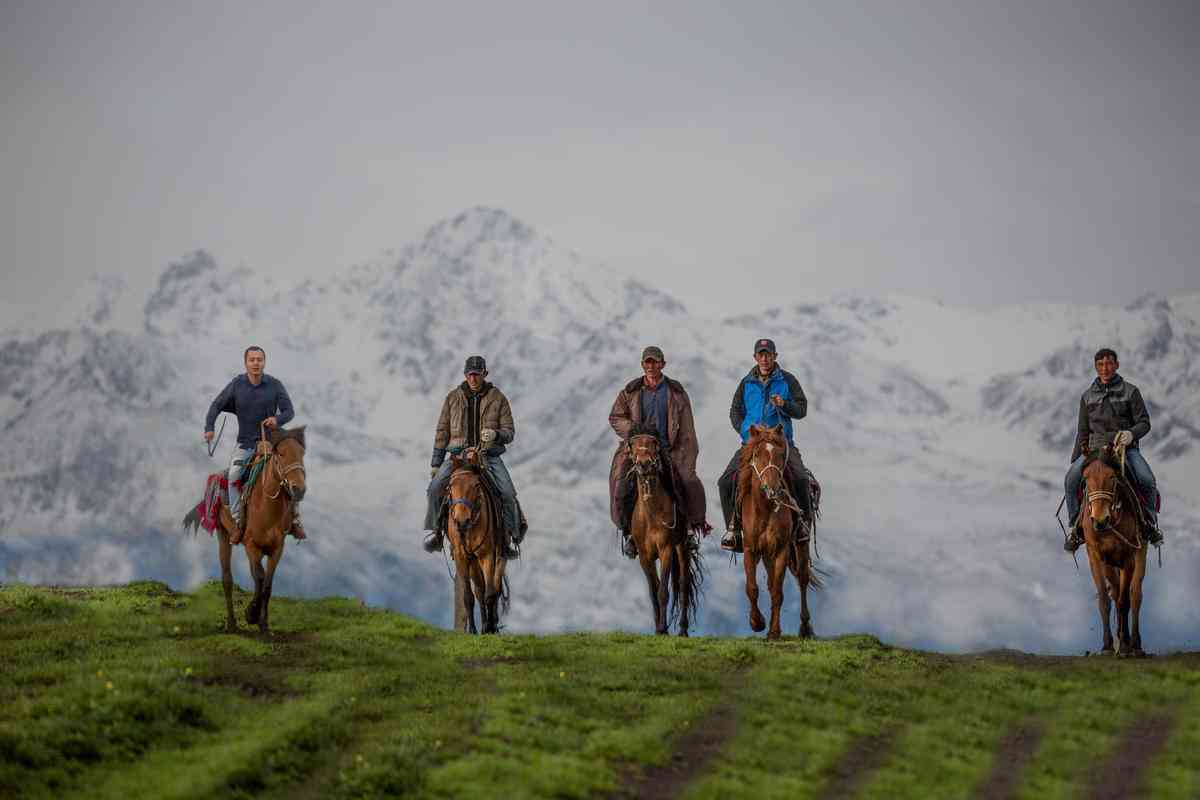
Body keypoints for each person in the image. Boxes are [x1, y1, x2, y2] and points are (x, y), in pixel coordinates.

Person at [608, 346, 710, 559]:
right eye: (648, 362)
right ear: (642, 365)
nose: (651, 366)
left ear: (663, 364)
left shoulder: (676, 393)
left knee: (688, 482)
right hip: (637, 451)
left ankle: (690, 529)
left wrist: (685, 459)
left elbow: (688, 431)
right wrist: (632, 431)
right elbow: (616, 417)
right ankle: (629, 532)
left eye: (655, 362)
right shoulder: (630, 391)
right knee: (621, 482)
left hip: (667, 451)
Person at [717, 338, 813, 552]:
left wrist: (784, 405)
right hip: (752, 444)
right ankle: (733, 529)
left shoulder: (787, 380)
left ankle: (802, 526)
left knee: (799, 478)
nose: (764, 358)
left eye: (768, 354)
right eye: (760, 354)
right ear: (755, 357)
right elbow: (735, 411)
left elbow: (802, 409)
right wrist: (747, 433)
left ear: (775, 356)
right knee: (725, 481)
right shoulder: (746, 382)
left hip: (781, 443)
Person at [1063, 347, 1162, 551]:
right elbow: (1082, 430)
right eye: (1100, 364)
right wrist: (1077, 459)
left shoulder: (1131, 391)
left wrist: (1131, 434)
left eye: (1109, 363)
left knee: (1147, 480)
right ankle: (1074, 527)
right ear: (1096, 367)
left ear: (1116, 365)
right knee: (1071, 479)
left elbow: (1144, 422)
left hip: (1124, 449)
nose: (1105, 368)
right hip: (1094, 451)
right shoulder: (1087, 396)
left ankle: (1150, 525)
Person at [422, 356, 522, 558]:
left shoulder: (498, 398)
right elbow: (442, 431)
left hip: (488, 456)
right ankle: (437, 533)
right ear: (465, 375)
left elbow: (509, 431)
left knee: (508, 493)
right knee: (434, 490)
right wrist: (436, 463)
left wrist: (496, 435)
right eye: (470, 374)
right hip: (457, 456)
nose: (473, 378)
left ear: (485, 373)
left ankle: (509, 537)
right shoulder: (452, 398)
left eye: (477, 374)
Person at [204, 345, 305, 544]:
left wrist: (277, 420)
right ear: (246, 363)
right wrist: (209, 427)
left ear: (264, 362)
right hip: (245, 444)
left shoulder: (275, 385)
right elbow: (216, 405)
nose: (256, 363)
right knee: (233, 476)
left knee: (291, 472)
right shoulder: (237, 385)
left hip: (272, 444)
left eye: (259, 359)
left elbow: (289, 411)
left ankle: (294, 519)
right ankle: (238, 522)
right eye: (252, 360)